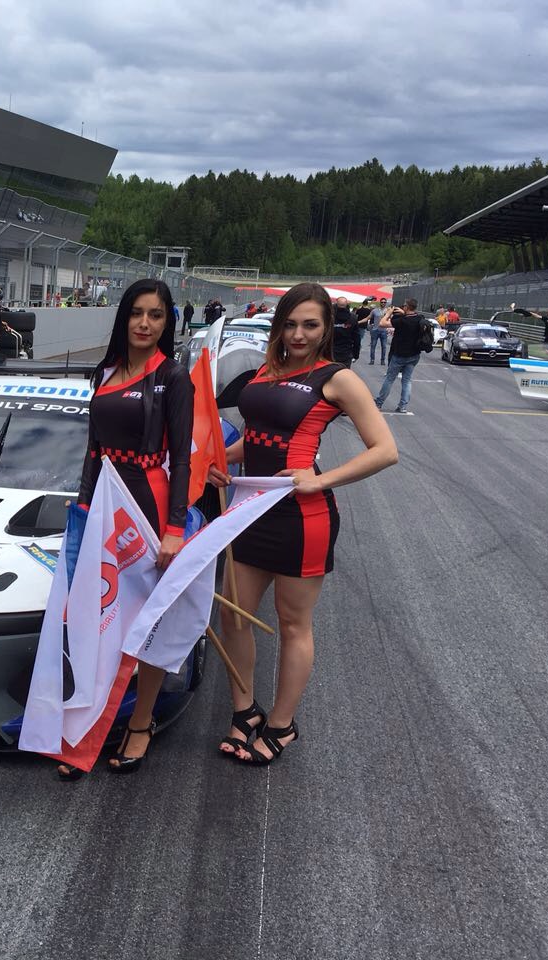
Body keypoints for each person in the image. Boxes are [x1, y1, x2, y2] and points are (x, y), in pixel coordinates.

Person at [209, 282, 398, 765]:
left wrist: (319, 479)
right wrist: (222, 461)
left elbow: (385, 450)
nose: (298, 334)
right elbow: (258, 437)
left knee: (293, 624)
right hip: (250, 509)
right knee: (233, 615)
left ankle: (282, 723)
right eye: (290, 324)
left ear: (326, 327)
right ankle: (245, 710)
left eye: (310, 325)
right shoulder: (266, 371)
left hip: (302, 517)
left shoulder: (338, 378)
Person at [55, 278, 193, 781]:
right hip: (101, 506)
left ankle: (140, 723)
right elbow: (93, 449)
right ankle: (89, 725)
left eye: (156, 315)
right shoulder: (106, 370)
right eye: (137, 312)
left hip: (148, 506)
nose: (144, 323)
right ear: (124, 317)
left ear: (167, 322)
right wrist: (83, 505)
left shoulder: (174, 377)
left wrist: (174, 528)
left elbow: (182, 460)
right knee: (96, 617)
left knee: (146, 622)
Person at [375, 299, 425, 413]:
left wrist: (388, 313)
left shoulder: (402, 321)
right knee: (407, 380)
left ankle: (379, 403)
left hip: (400, 354)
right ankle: (403, 406)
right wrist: (404, 313)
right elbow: (413, 316)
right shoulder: (420, 319)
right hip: (414, 354)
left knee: (389, 379)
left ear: (407, 307)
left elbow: (382, 324)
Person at [331, 297, 360, 368]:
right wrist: (356, 354)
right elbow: (356, 338)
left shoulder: (329, 317)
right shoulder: (353, 318)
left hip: (331, 353)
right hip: (345, 353)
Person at [368, 297, 390, 364]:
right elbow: (369, 317)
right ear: (380, 303)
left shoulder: (388, 311)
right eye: (382, 302)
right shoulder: (375, 310)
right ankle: (372, 360)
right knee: (373, 346)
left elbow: (392, 319)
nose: (383, 303)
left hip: (384, 330)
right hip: (375, 330)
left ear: (386, 303)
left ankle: (382, 360)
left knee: (384, 346)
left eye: (384, 302)